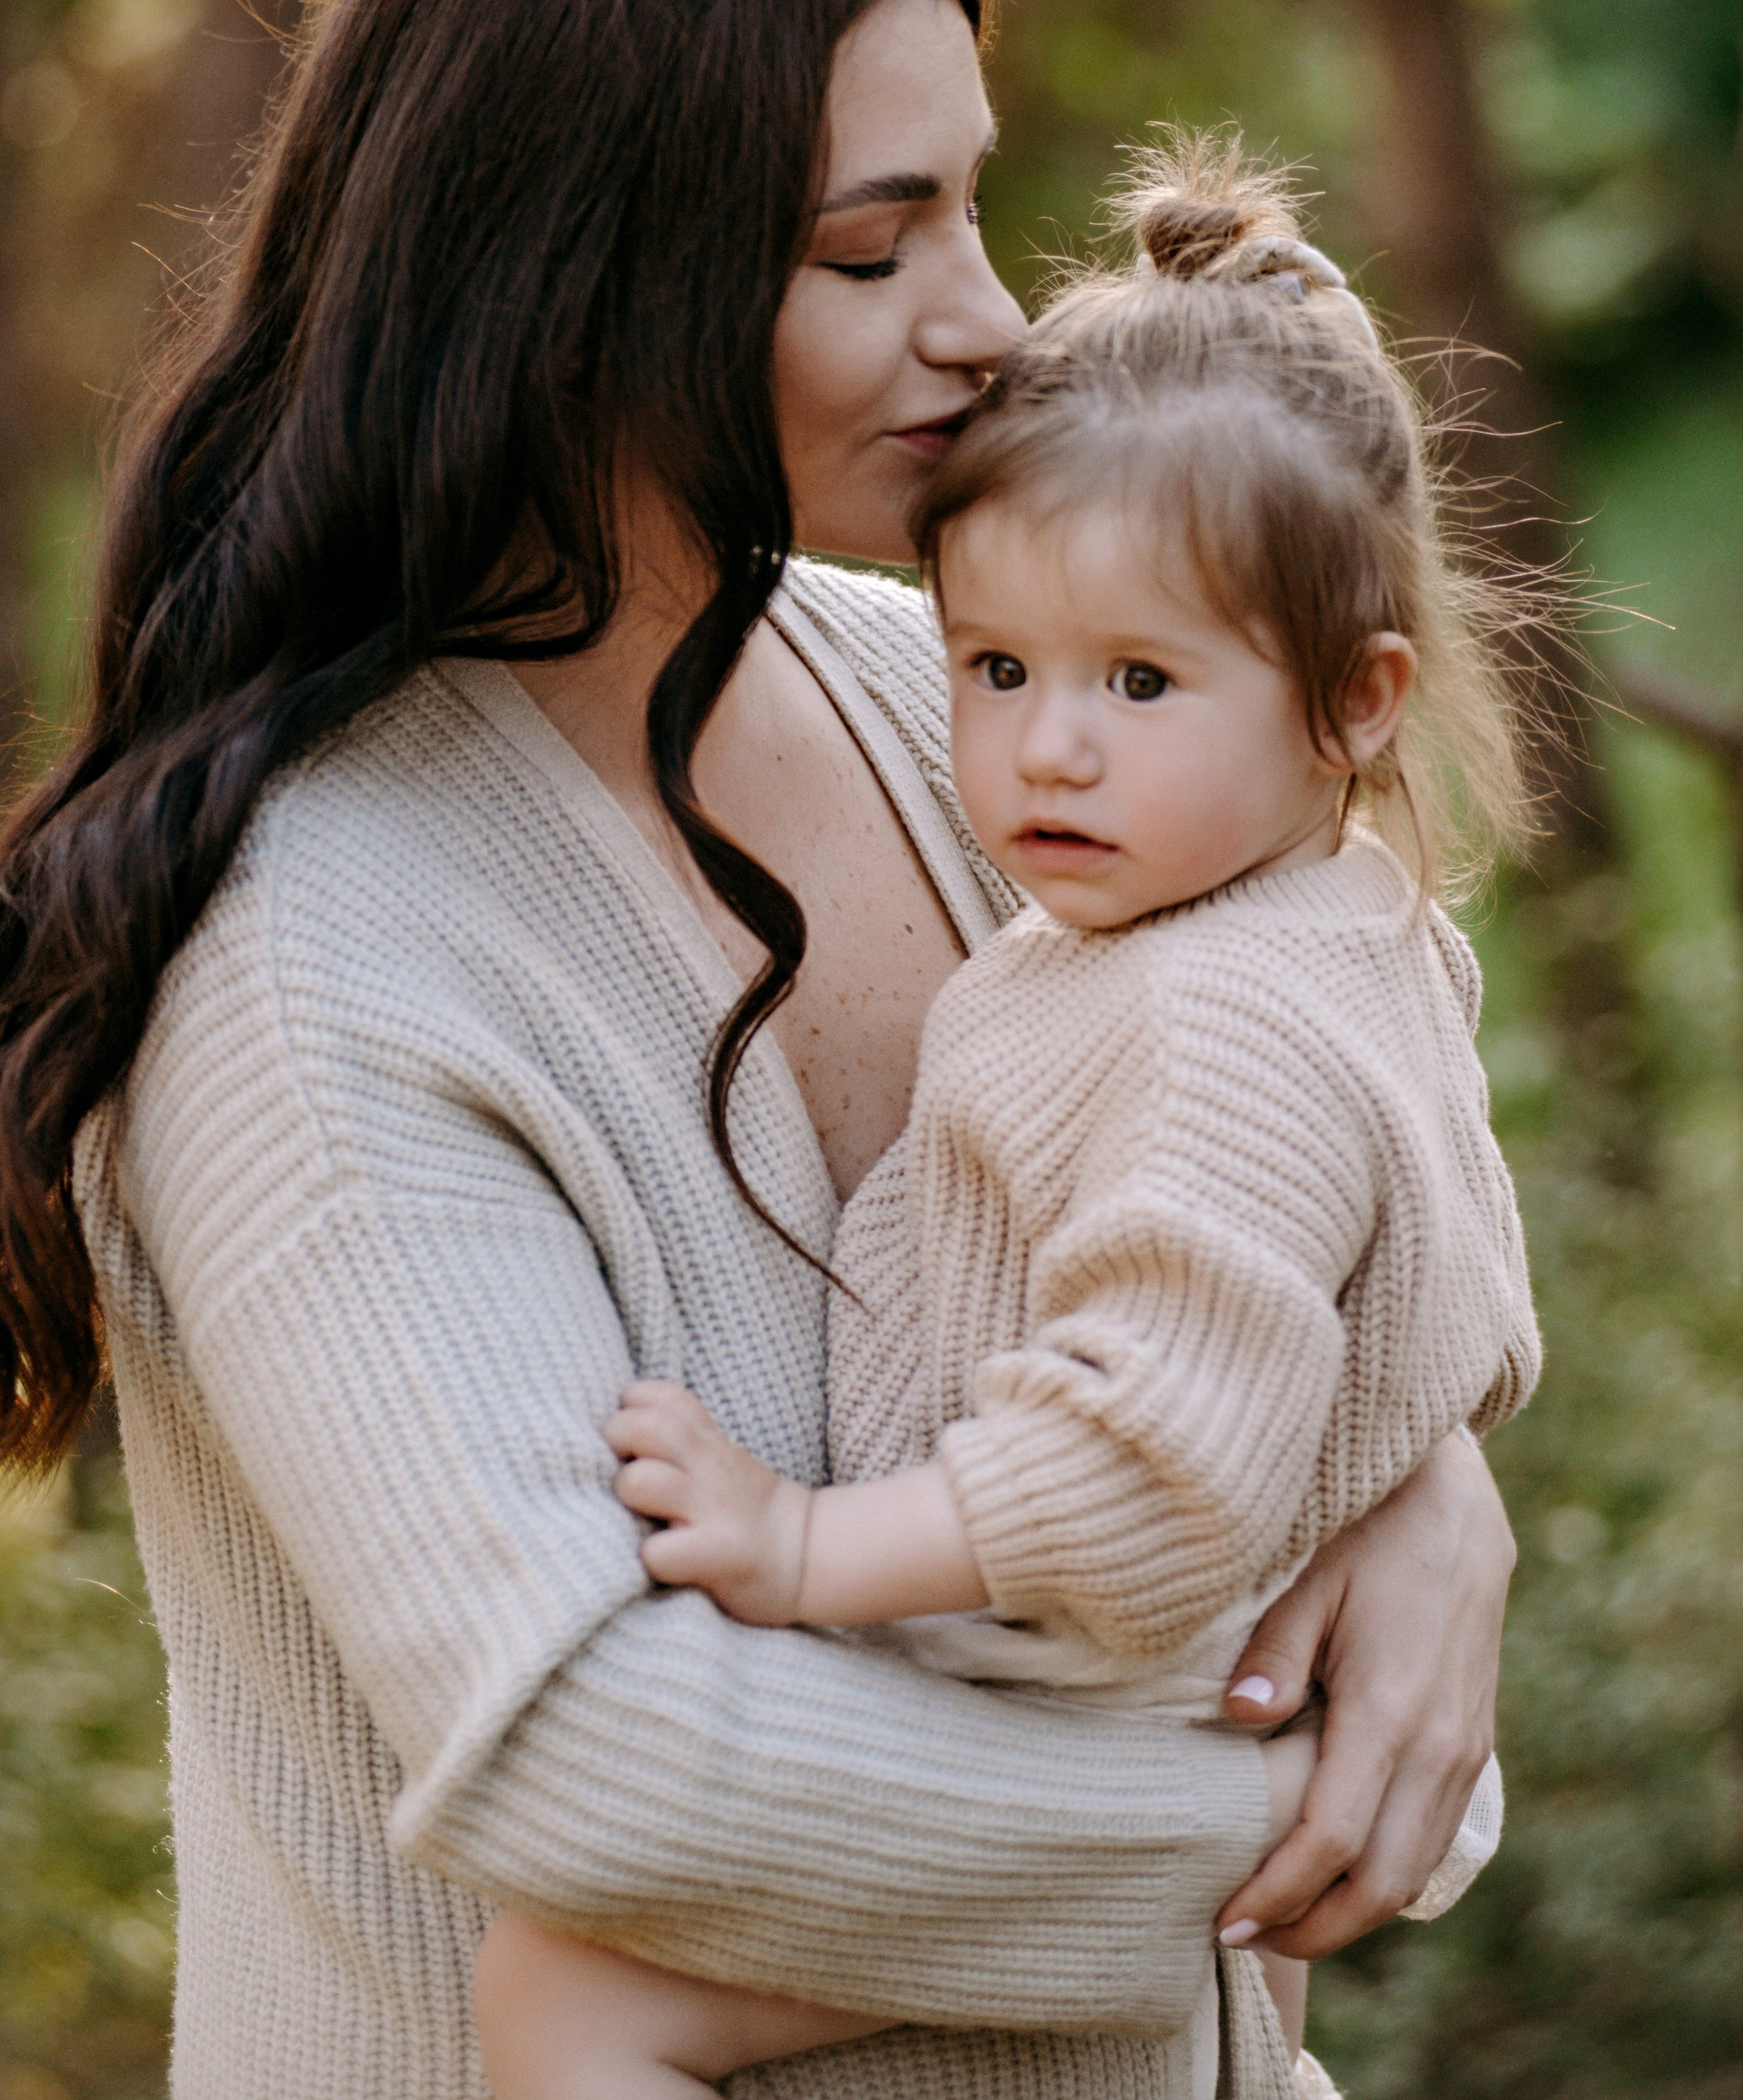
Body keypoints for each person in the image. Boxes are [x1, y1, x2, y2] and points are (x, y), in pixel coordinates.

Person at [0, 0, 1521, 2100]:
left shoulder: (978, 708)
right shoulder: (312, 958)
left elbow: (1320, 1129)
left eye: (971, 210)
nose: (989, 323)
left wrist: (1429, 1486)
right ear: (583, 281)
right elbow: (604, 1763)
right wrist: (1307, 1811)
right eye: (873, 254)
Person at [472, 146, 1542, 2100]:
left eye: (1138, 678)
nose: (1047, 744)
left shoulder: (1220, 1017)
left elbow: (1141, 1469)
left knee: (571, 1999)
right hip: (1197, 1691)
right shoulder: (1338, 922)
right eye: (994, 665)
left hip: (1125, 1712)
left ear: (1354, 699)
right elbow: (1460, 1301)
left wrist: (803, 1544)